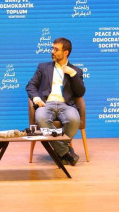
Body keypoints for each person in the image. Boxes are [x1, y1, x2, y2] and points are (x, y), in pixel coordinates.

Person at [26, 37, 85, 165]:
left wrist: (73, 75)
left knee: (74, 119)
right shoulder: (43, 67)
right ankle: (66, 152)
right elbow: (31, 85)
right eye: (52, 48)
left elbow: (80, 93)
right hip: (46, 104)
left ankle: (60, 151)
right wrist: (36, 98)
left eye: (56, 49)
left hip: (67, 105)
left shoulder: (76, 71)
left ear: (66, 52)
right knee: (41, 118)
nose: (52, 51)